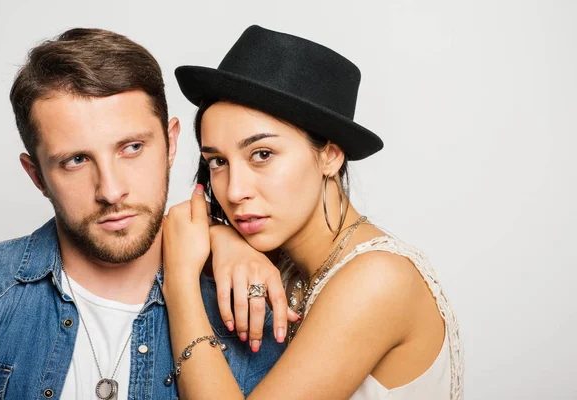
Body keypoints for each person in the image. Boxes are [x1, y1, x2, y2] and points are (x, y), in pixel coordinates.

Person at [0, 28, 285, 399]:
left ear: (171, 144)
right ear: (37, 175)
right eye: (75, 160)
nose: (110, 190)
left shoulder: (251, 311)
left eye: (132, 147)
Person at [163, 25, 464, 399]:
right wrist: (221, 237)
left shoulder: (378, 279)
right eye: (218, 162)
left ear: (330, 156)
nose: (235, 191)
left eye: (262, 155)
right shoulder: (284, 262)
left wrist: (180, 284)